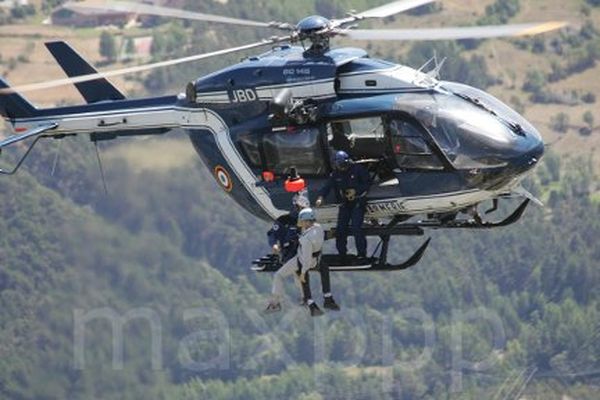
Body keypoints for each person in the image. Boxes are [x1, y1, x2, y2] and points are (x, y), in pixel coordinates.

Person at [265, 208, 337, 317]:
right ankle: (309, 301)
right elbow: (273, 234)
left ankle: (276, 303)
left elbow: (307, 251)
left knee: (281, 276)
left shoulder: (306, 234)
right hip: (300, 257)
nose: (301, 223)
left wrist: (304, 271)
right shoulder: (316, 229)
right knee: (299, 279)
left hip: (301, 258)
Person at [316, 150, 370, 259]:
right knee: (340, 229)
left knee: (356, 227)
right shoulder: (336, 174)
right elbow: (327, 186)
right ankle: (342, 254)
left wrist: (356, 191)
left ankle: (362, 254)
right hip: (345, 203)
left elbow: (367, 183)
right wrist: (321, 197)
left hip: (358, 202)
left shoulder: (358, 169)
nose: (341, 168)